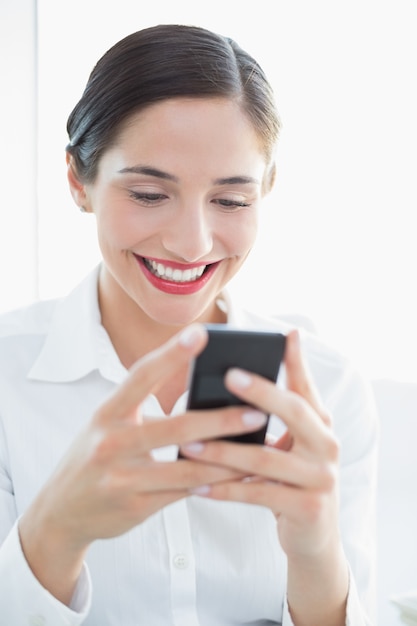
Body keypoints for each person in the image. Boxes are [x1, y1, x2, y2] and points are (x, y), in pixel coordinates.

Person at [0, 24, 378, 625]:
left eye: (231, 201)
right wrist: (57, 529)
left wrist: (316, 554)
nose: (191, 243)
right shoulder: (8, 379)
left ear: (267, 191)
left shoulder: (329, 390)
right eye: (149, 193)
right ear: (79, 181)